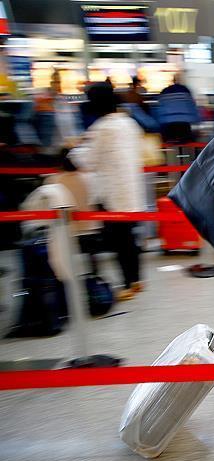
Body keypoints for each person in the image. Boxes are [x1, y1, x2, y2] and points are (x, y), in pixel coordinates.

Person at [69, 82, 146, 301]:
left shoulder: (102, 128)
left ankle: (129, 283)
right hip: (131, 187)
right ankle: (135, 280)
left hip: (112, 192)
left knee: (120, 240)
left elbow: (86, 160)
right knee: (127, 238)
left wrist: (73, 150)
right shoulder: (128, 123)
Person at [156, 73, 200, 143]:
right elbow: (192, 108)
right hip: (183, 126)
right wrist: (198, 122)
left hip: (167, 126)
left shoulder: (164, 91)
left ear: (172, 80)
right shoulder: (185, 90)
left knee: (168, 141)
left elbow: (159, 110)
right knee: (189, 140)